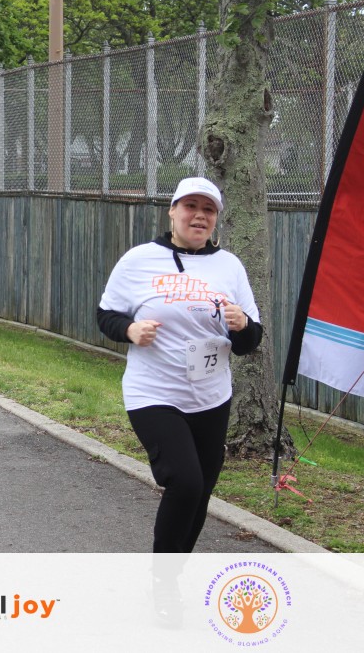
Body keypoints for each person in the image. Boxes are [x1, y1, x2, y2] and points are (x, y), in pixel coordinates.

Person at [97, 176, 263, 554]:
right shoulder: (139, 260)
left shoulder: (230, 266)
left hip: (211, 396)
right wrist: (129, 329)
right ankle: (163, 576)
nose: (199, 216)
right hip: (154, 392)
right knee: (185, 483)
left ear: (216, 218)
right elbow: (106, 315)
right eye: (190, 206)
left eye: (208, 209)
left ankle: (174, 571)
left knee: (201, 490)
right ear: (172, 211)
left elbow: (249, 342)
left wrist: (243, 325)